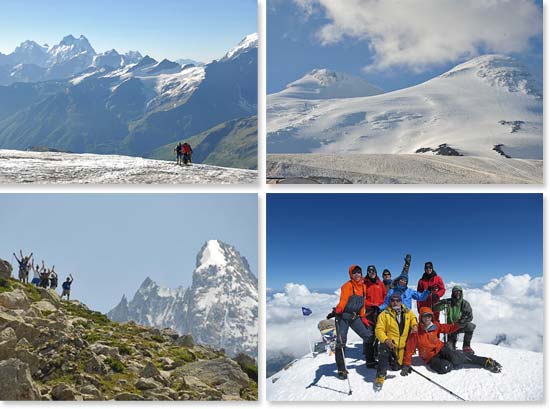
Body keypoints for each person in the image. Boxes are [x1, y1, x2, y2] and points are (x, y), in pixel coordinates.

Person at [402, 307, 501, 375]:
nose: (427, 318)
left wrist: (458, 324)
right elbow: (409, 350)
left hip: (441, 349)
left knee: (457, 358)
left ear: (431, 317)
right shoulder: (416, 332)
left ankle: (485, 361)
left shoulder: (435, 325)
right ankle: (452, 359)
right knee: (446, 367)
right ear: (421, 317)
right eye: (425, 316)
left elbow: (448, 328)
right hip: (430, 357)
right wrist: (406, 364)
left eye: (429, 316)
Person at [331, 265, 375, 379]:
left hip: (355, 317)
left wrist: (363, 316)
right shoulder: (347, 286)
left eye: (359, 273)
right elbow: (343, 300)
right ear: (351, 274)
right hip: (343, 317)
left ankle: (370, 361)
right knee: (341, 341)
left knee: (368, 336)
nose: (357, 275)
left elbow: (362, 304)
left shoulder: (363, 287)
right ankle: (341, 369)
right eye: (354, 273)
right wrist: (338, 310)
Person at [374, 292, 418, 389]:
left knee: (396, 367)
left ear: (401, 301)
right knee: (383, 348)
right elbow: (378, 330)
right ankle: (380, 376)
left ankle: (394, 361)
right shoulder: (384, 314)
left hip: (402, 347)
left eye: (397, 300)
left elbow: (413, 318)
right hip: (390, 346)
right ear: (390, 302)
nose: (395, 302)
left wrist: (414, 325)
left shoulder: (407, 312)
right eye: (393, 300)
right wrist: (386, 340)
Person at [435, 285, 476, 353]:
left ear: (461, 293)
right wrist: (441, 303)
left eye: (459, 292)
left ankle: (466, 346)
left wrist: (463, 321)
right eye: (455, 292)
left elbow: (470, 316)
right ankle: (451, 345)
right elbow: (435, 308)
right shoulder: (448, 302)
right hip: (451, 328)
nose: (457, 293)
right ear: (453, 293)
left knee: (470, 326)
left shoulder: (464, 303)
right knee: (450, 350)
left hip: (461, 325)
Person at [364, 265, 387, 367]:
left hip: (380, 311)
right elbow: (361, 298)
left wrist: (382, 306)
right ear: (367, 273)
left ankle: (378, 352)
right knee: (370, 335)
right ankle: (370, 360)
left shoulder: (380, 283)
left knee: (380, 332)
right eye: (369, 271)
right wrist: (371, 305)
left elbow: (385, 296)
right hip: (369, 311)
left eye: (373, 271)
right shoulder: (364, 284)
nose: (371, 273)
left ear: (376, 272)